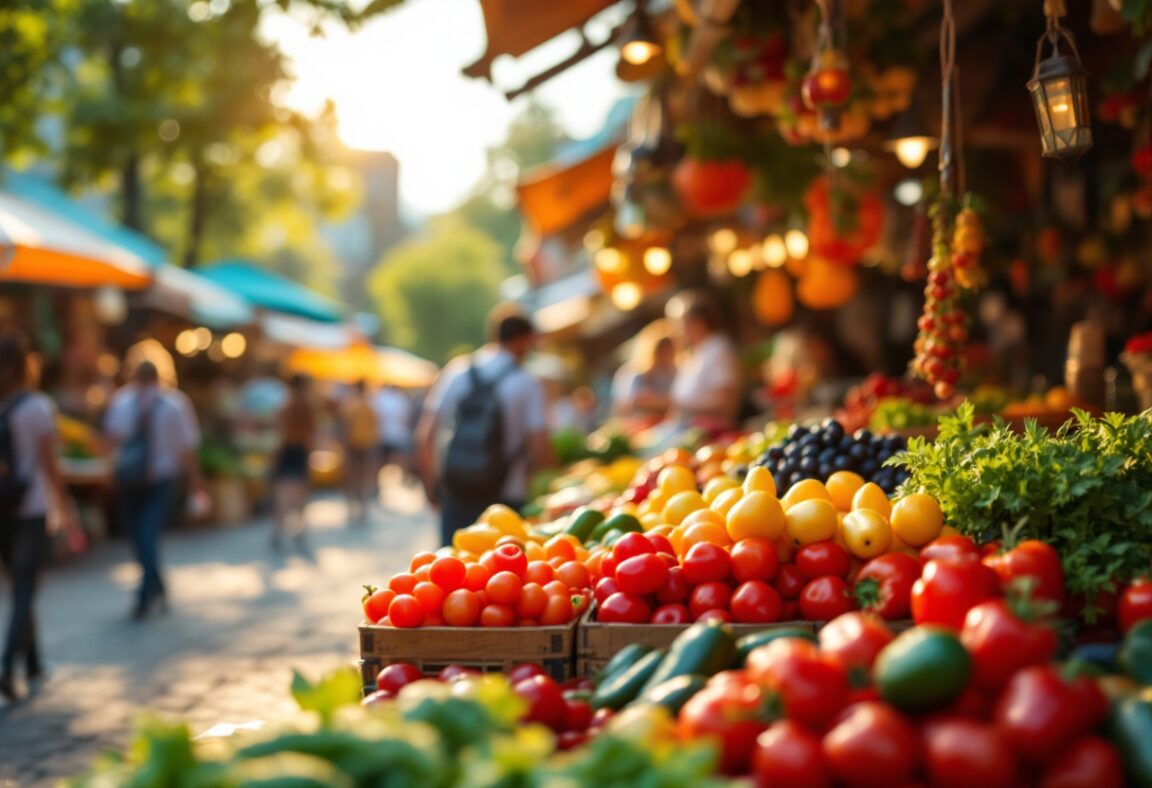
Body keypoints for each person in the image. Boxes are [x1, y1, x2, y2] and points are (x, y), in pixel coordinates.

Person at [416, 309, 551, 546]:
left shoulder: (459, 371)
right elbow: (539, 444)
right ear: (523, 339)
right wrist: (545, 484)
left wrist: (431, 484)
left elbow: (426, 433)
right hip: (508, 495)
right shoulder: (527, 383)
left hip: (458, 490)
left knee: (452, 568)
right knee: (503, 574)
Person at [0, 332, 81, 702]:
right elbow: (51, 467)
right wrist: (66, 511)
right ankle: (7, 665)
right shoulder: (37, 408)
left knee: (20, 586)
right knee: (25, 590)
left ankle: (33, 663)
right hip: (31, 510)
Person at [104, 359, 202, 620]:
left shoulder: (123, 402)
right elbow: (187, 449)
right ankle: (156, 585)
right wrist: (196, 483)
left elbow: (109, 442)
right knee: (143, 536)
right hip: (153, 479)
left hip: (145, 480)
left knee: (142, 536)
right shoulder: (173, 404)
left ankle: (144, 595)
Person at [668, 290, 741, 430]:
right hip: (691, 432)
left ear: (698, 322)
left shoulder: (717, 348)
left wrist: (670, 403)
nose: (677, 331)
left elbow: (727, 404)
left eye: (680, 324)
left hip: (713, 433)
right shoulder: (694, 353)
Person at [271, 374, 317, 549]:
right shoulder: (307, 407)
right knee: (300, 493)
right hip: (301, 451)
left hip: (288, 451)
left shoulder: (286, 407)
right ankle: (300, 529)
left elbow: (281, 435)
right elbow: (312, 435)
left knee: (283, 494)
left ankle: (279, 529)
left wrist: (275, 456)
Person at [340, 380, 377, 525]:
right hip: (365, 445)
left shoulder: (351, 406)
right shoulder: (369, 407)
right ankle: (362, 507)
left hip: (354, 445)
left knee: (352, 477)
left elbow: (345, 427)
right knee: (363, 477)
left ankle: (353, 506)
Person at [373, 383, 413, 478]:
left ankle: (376, 480)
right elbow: (406, 418)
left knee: (381, 460)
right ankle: (404, 477)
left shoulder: (380, 398)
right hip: (398, 434)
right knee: (399, 458)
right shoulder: (401, 399)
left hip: (383, 434)